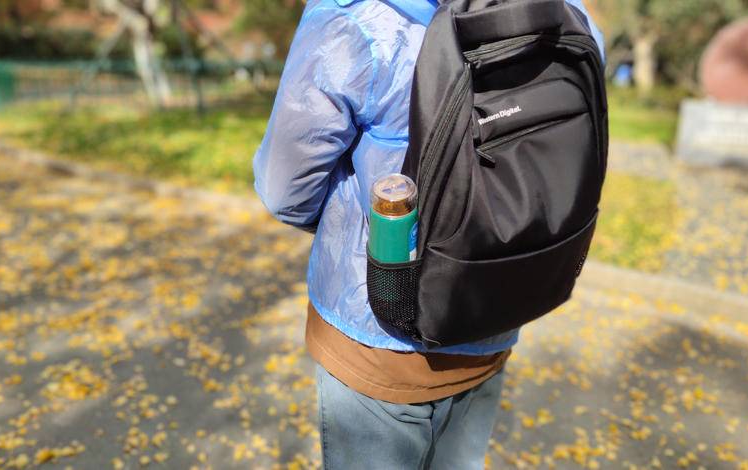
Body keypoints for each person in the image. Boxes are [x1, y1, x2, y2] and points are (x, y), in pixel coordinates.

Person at [253, 1, 604, 468]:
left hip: (376, 338)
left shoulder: (355, 20)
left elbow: (285, 190)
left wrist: (344, 225)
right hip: (495, 309)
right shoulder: (563, 13)